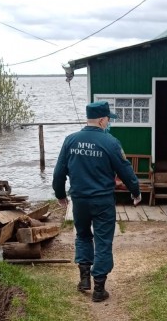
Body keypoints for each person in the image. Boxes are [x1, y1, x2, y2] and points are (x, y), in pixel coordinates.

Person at [52, 100, 141, 302]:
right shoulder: (110, 142)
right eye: (108, 119)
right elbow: (125, 170)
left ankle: (84, 279)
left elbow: (59, 173)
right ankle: (99, 289)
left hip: (80, 200)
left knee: (83, 236)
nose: (109, 122)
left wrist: (60, 195)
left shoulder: (70, 140)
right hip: (102, 201)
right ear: (102, 120)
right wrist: (135, 192)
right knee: (102, 241)